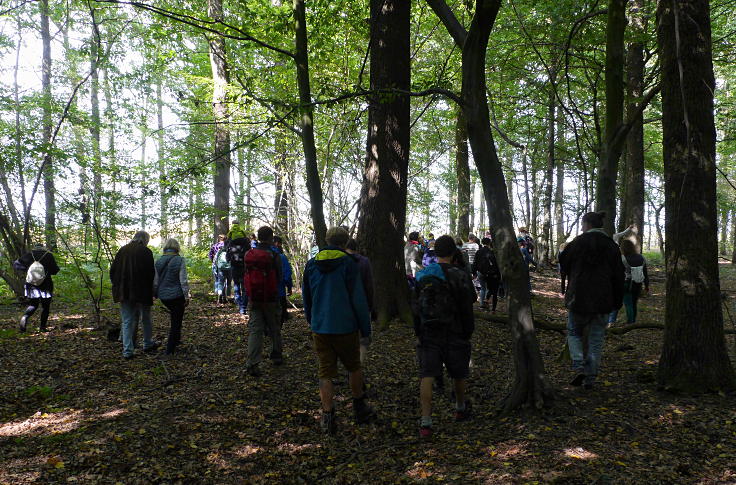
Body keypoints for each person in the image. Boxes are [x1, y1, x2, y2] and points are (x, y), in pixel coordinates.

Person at [303, 226, 374, 435]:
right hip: (345, 326)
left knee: (325, 371)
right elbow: (358, 298)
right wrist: (365, 327)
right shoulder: (349, 264)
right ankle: (359, 409)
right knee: (353, 367)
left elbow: (307, 298)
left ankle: (328, 417)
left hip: (321, 326)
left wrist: (312, 320)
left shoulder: (312, 264)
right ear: (345, 242)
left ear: (327, 240)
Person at [413, 235, 475, 439]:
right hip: (455, 329)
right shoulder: (459, 274)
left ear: (436, 252)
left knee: (427, 375)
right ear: (453, 252)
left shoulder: (422, 275)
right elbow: (468, 303)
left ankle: (426, 422)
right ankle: (459, 408)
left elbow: (416, 306)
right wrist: (468, 330)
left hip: (429, 331)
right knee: (458, 373)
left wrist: (418, 331)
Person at [559, 212, 624, 389]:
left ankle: (578, 364)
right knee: (596, 339)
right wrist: (617, 302)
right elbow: (619, 276)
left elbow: (562, 262)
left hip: (578, 298)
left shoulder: (577, 243)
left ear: (587, 223)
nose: (581, 228)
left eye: (582, 224)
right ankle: (590, 377)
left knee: (573, 332)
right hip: (603, 300)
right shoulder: (611, 246)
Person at [110, 231, 159, 360]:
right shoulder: (146, 252)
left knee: (127, 321)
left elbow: (113, 271)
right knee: (146, 318)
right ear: (144, 240)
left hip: (124, 292)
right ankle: (147, 343)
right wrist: (153, 290)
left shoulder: (122, 250)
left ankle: (127, 350)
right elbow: (151, 273)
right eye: (147, 240)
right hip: (142, 291)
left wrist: (117, 286)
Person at [244, 226, 283, 376]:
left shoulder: (249, 254)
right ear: (271, 238)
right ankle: (276, 355)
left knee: (255, 330)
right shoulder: (274, 255)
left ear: (259, 237)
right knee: (274, 326)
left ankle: (252, 363)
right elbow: (279, 277)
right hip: (271, 297)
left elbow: (245, 274)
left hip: (254, 297)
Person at [154, 239, 190, 356]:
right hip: (177, 296)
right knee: (176, 321)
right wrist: (186, 296)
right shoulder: (180, 260)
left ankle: (176, 341)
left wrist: (155, 293)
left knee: (175, 316)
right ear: (177, 248)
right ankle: (170, 349)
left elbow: (155, 281)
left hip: (163, 296)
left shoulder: (158, 261)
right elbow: (183, 280)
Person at [13, 244, 60, 332]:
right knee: (45, 307)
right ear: (43, 248)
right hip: (46, 284)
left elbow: (16, 265)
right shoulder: (48, 255)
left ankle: (25, 317)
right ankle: (42, 327)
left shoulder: (29, 255)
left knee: (33, 305)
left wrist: (26, 269)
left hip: (31, 284)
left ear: (34, 248)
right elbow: (55, 270)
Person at [345, 238, 375, 364]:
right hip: (362, 305)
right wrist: (369, 305)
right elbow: (369, 286)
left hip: (345, 305)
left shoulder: (342, 261)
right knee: (363, 338)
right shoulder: (364, 261)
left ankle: (352, 367)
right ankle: (358, 366)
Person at [608, 239, 649, 325]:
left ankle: (626, 322)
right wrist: (646, 286)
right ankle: (633, 321)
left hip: (626, 284)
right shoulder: (641, 258)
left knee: (624, 303)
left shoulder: (623, 259)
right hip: (638, 283)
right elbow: (645, 273)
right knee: (633, 303)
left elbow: (618, 274)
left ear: (623, 248)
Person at [472, 237, 501, 312]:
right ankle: (486, 303)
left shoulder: (478, 252)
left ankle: (482, 305)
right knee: (489, 288)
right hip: (490, 273)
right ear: (489, 243)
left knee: (482, 288)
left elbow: (475, 263)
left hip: (480, 272)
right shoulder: (491, 252)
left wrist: (474, 273)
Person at [226, 231, 251, 315]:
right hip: (244, 268)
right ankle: (243, 308)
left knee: (236, 286)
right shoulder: (247, 244)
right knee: (245, 288)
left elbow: (227, 258)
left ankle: (240, 305)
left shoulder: (231, 244)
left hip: (234, 267)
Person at [272, 236, 294, 324]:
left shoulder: (258, 254)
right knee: (279, 316)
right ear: (277, 243)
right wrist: (289, 287)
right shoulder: (281, 257)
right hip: (279, 291)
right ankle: (276, 335)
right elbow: (287, 274)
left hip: (261, 293)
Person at [210, 235, 231, 304]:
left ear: (219, 239)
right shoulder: (229, 247)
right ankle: (226, 297)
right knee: (228, 282)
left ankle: (219, 296)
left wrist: (215, 264)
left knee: (220, 282)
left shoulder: (215, 246)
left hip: (220, 266)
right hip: (229, 267)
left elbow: (211, 255)